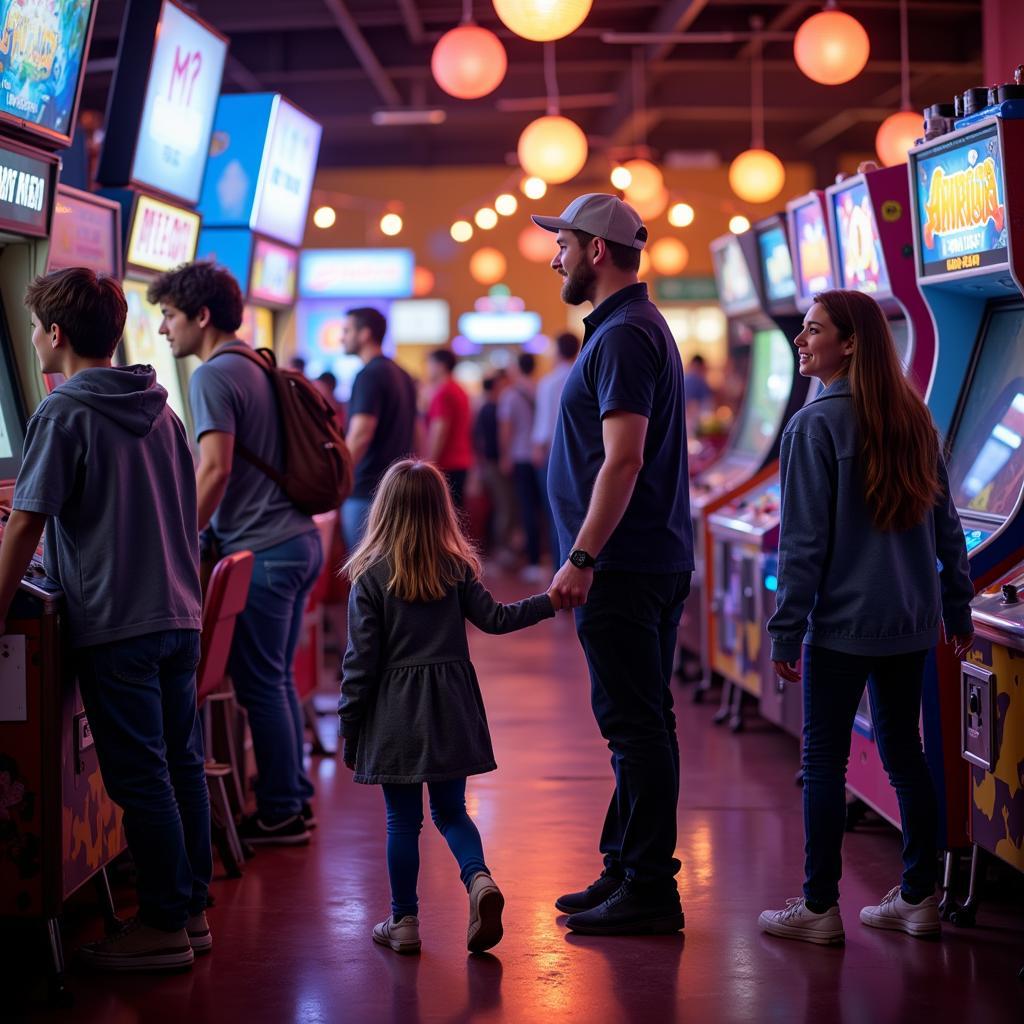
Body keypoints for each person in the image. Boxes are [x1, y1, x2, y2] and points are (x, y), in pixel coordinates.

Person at [0, 269, 209, 970]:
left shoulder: (65, 412)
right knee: (180, 766)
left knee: (140, 778)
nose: (30, 340)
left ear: (56, 335)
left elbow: (26, 522)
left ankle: (162, 925)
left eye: (34, 328)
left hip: (118, 623)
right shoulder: (161, 408)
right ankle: (192, 911)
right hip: (179, 614)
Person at [759, 290, 974, 946]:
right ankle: (919, 897)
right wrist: (958, 602)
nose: (801, 340)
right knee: (906, 753)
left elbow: (802, 545)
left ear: (849, 343)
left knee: (822, 760)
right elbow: (950, 528)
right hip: (910, 620)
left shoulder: (813, 425)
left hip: (841, 626)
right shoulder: (913, 417)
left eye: (813, 330)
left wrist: (786, 627)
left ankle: (820, 907)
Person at [535, 193, 694, 935]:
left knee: (634, 726)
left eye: (563, 244)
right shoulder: (625, 329)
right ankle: (622, 865)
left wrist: (582, 554)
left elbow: (623, 460)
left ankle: (649, 888)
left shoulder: (626, 336)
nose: (555, 256)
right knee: (638, 721)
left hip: (623, 565)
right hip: (642, 559)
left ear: (597, 251)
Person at [338, 460, 556, 954]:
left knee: (402, 822)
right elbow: (497, 620)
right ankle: (478, 879)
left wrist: (349, 724)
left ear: (383, 511)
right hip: (451, 705)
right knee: (452, 811)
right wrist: (549, 600)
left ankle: (405, 922)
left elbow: (360, 663)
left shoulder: (369, 577)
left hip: (394, 712)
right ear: (442, 512)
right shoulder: (454, 567)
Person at [153, 262, 323, 846]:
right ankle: (291, 799)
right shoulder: (258, 362)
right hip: (297, 540)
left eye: (169, 316)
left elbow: (216, 468)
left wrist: (177, 540)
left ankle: (279, 809)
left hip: (264, 549)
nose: (163, 330)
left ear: (201, 316)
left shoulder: (212, 376)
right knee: (274, 680)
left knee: (261, 683)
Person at [339, 307, 417, 549]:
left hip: (367, 492)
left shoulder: (369, 375)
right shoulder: (402, 374)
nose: (342, 337)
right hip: (398, 488)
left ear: (365, 334)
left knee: (366, 575)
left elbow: (361, 434)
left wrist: (337, 478)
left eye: (347, 330)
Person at [533, 331, 580, 564]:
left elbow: (543, 426)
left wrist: (538, 452)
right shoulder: (581, 374)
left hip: (554, 454)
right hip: (582, 455)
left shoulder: (548, 382)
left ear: (558, 351)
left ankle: (558, 568)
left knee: (556, 515)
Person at [499, 352, 545, 581]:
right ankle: (542, 557)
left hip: (520, 456)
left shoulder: (510, 395)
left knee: (524, 508)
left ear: (518, 367)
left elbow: (506, 429)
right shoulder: (539, 388)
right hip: (541, 456)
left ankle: (531, 559)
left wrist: (504, 455)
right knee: (542, 509)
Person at [473, 372, 516, 556]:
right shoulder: (492, 409)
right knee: (504, 506)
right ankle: (501, 549)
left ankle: (497, 548)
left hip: (489, 464)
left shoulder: (485, 409)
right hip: (495, 464)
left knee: (499, 506)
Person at [424, 348, 473, 509]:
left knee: (444, 517)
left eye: (429, 363)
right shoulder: (460, 390)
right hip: (462, 461)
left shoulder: (443, 392)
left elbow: (439, 431)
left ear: (441, 366)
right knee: (456, 514)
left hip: (446, 464)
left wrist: (428, 464)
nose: (427, 368)